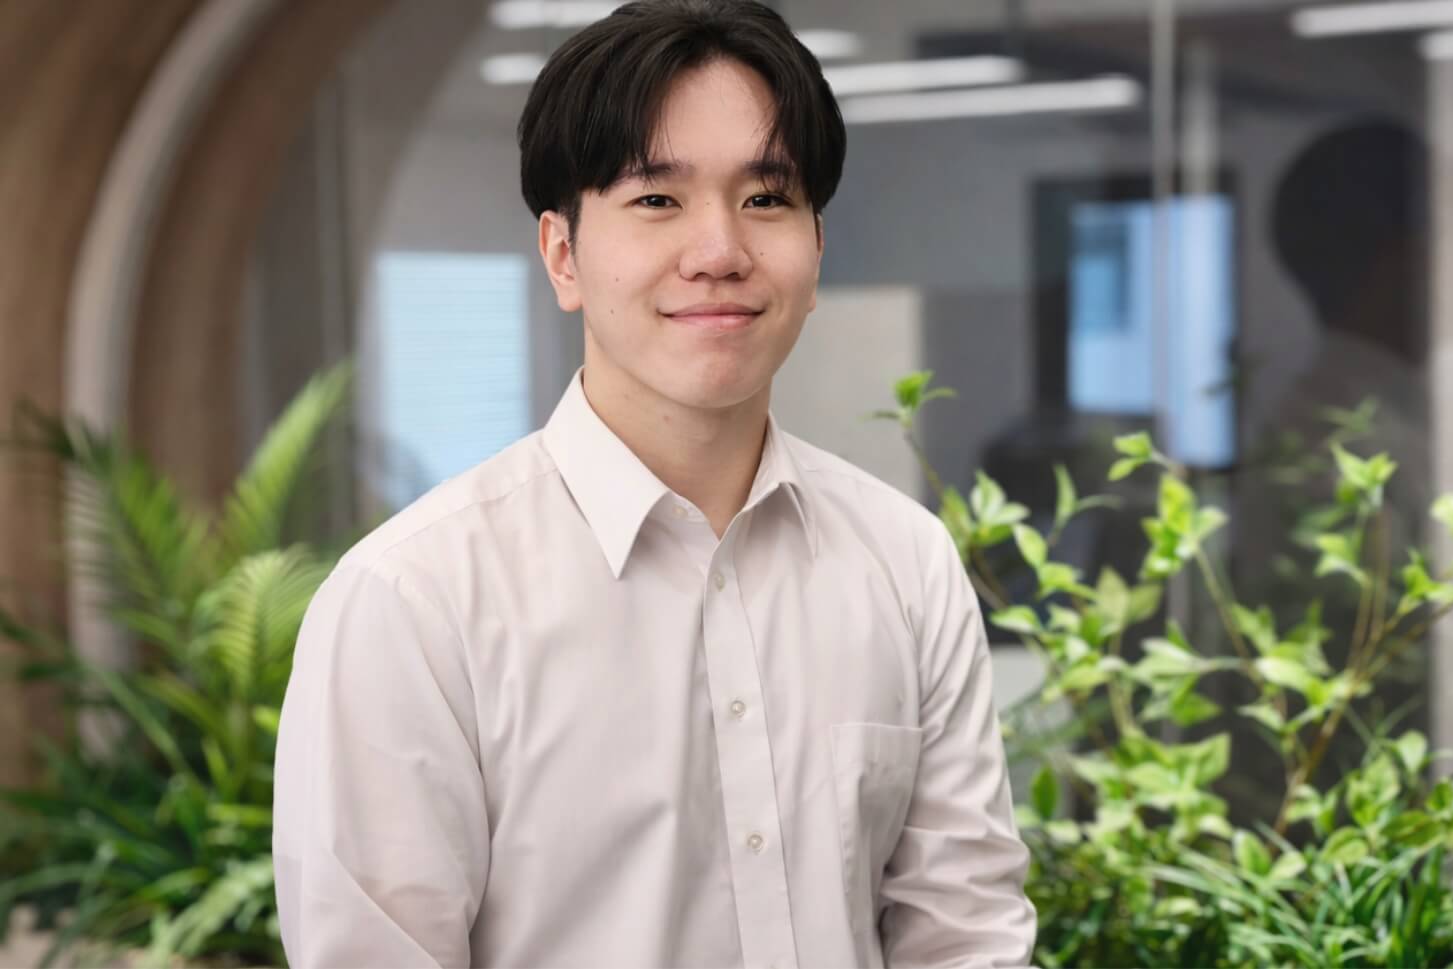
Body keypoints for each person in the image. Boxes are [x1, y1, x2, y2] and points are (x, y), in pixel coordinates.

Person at [270, 1, 1036, 965]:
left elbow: (964, 934)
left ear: (817, 246)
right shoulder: (416, 602)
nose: (720, 252)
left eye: (767, 198)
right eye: (656, 200)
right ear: (563, 255)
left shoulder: (903, 558)